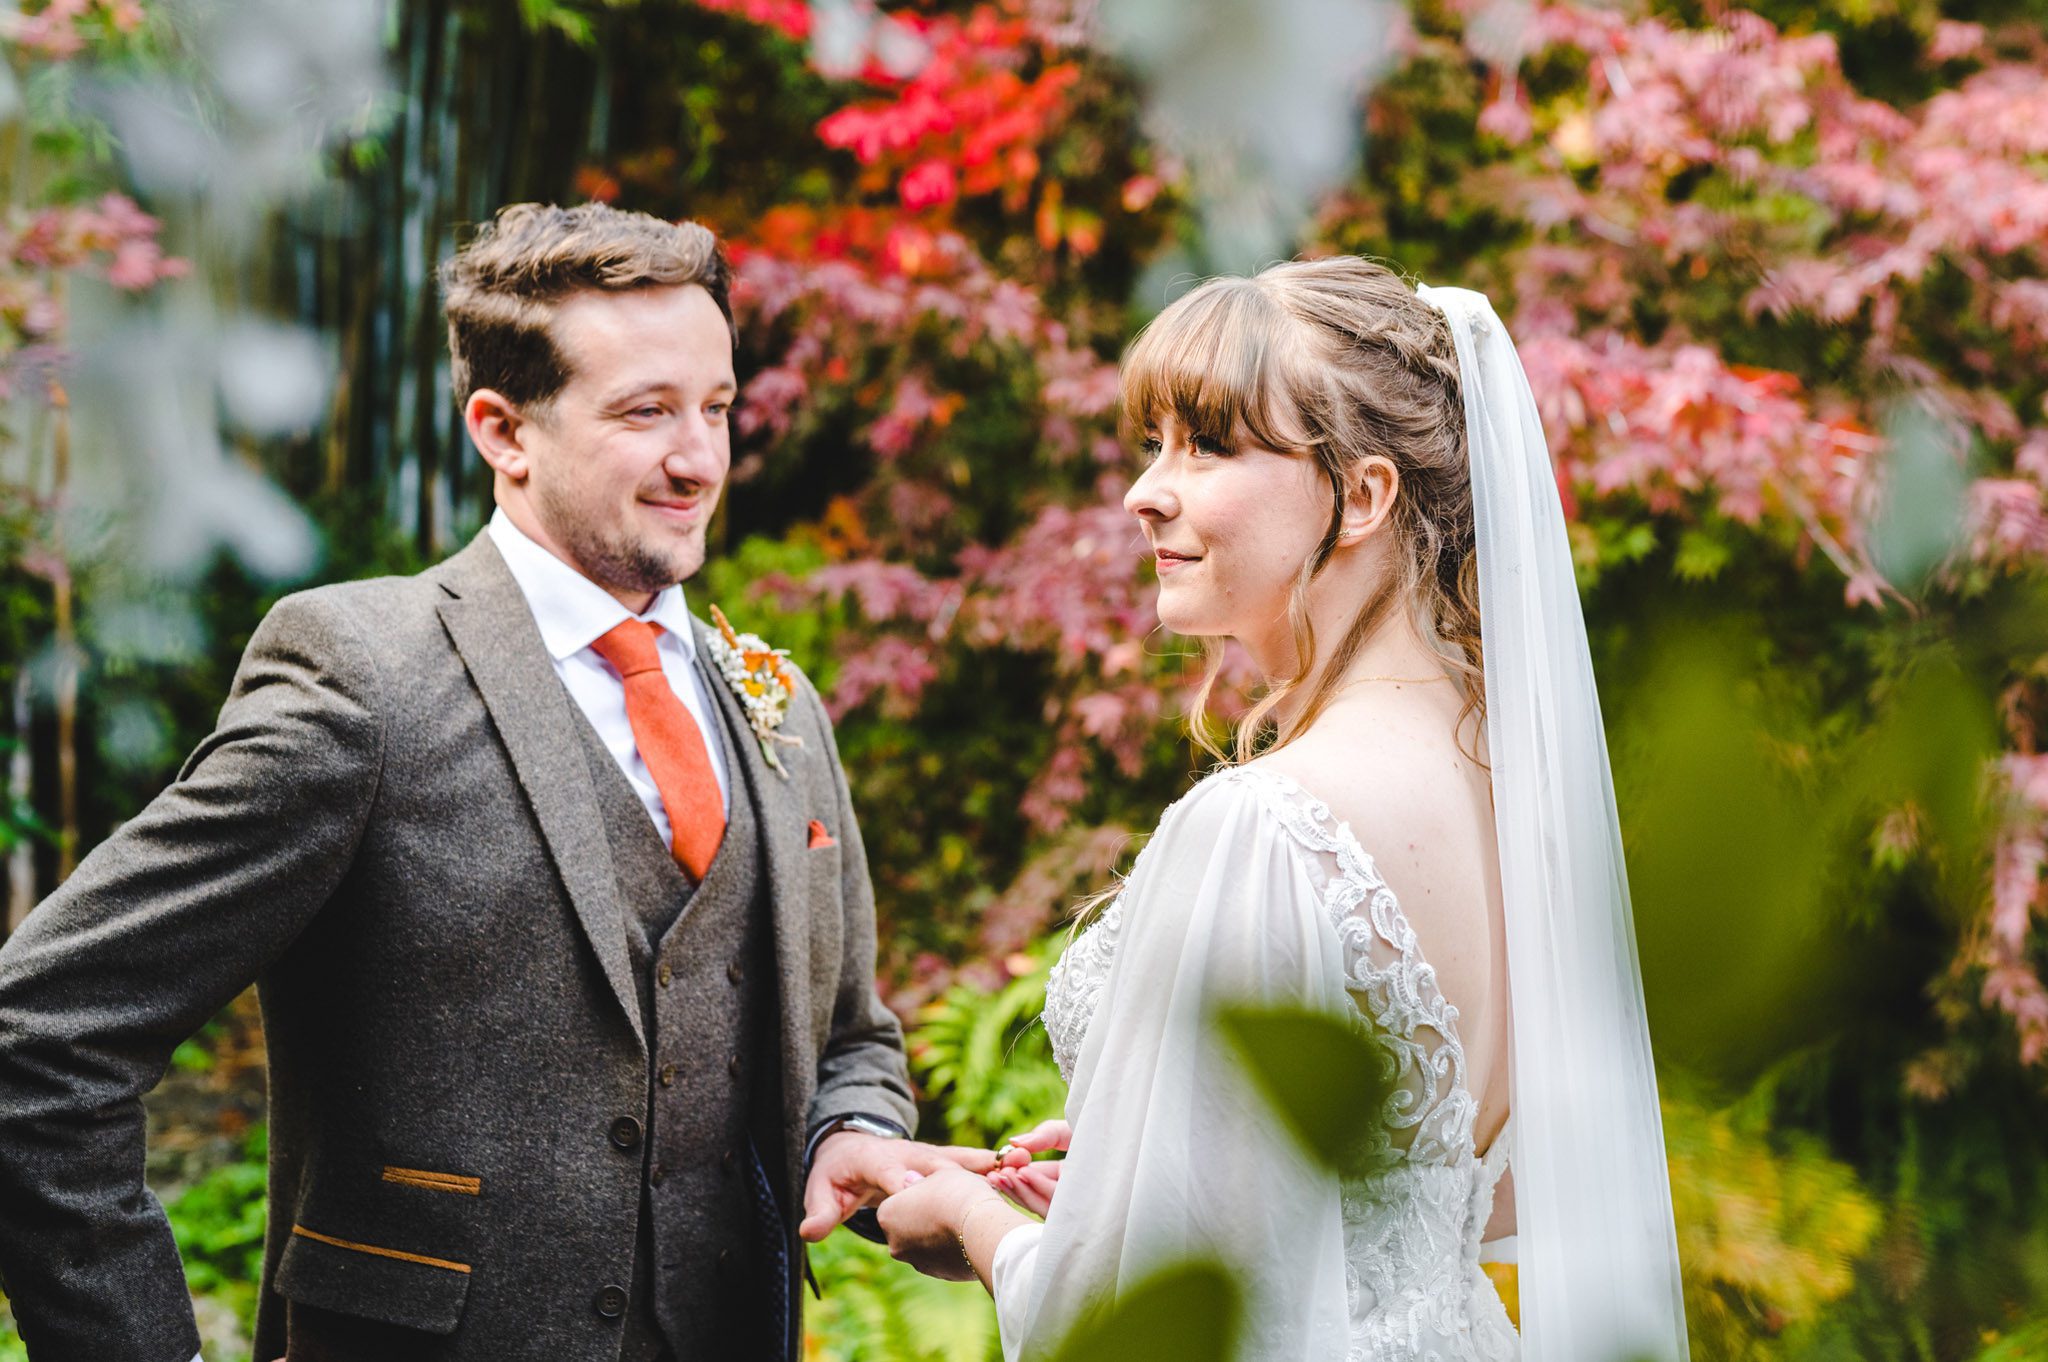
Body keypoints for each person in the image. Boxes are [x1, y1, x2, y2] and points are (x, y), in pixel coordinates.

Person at [0, 201, 988, 1362]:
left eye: (716, 407)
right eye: (644, 413)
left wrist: (850, 1131)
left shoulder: (776, 702)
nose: (700, 459)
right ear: (502, 431)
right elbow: (40, 1037)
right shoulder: (362, 679)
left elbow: (851, 1036)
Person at [873, 258, 1691, 1362]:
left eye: (1207, 446)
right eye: (1152, 443)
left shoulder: (1264, 827)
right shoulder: (1516, 798)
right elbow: (1481, 1204)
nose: (1143, 490)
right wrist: (1152, 1153)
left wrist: (972, 1221)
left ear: (1361, 497)